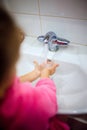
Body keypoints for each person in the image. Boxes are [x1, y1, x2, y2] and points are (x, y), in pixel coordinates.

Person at [0, 6, 59, 130]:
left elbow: (7, 85)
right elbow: (49, 101)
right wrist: (45, 74)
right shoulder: (23, 101)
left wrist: (34, 73)